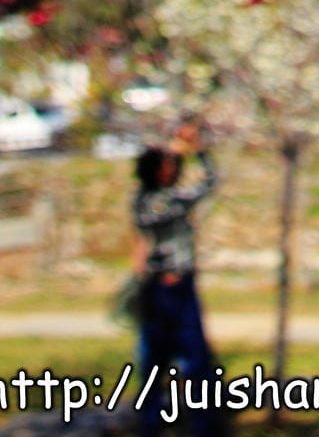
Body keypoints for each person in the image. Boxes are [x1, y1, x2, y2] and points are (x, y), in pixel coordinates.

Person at [132, 120, 219, 436]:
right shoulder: (148, 201)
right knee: (155, 362)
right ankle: (150, 425)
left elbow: (209, 182)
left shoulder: (171, 197)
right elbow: (178, 200)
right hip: (162, 290)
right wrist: (178, 152)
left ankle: (203, 426)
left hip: (183, 285)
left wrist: (197, 151)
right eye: (166, 166)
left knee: (198, 361)